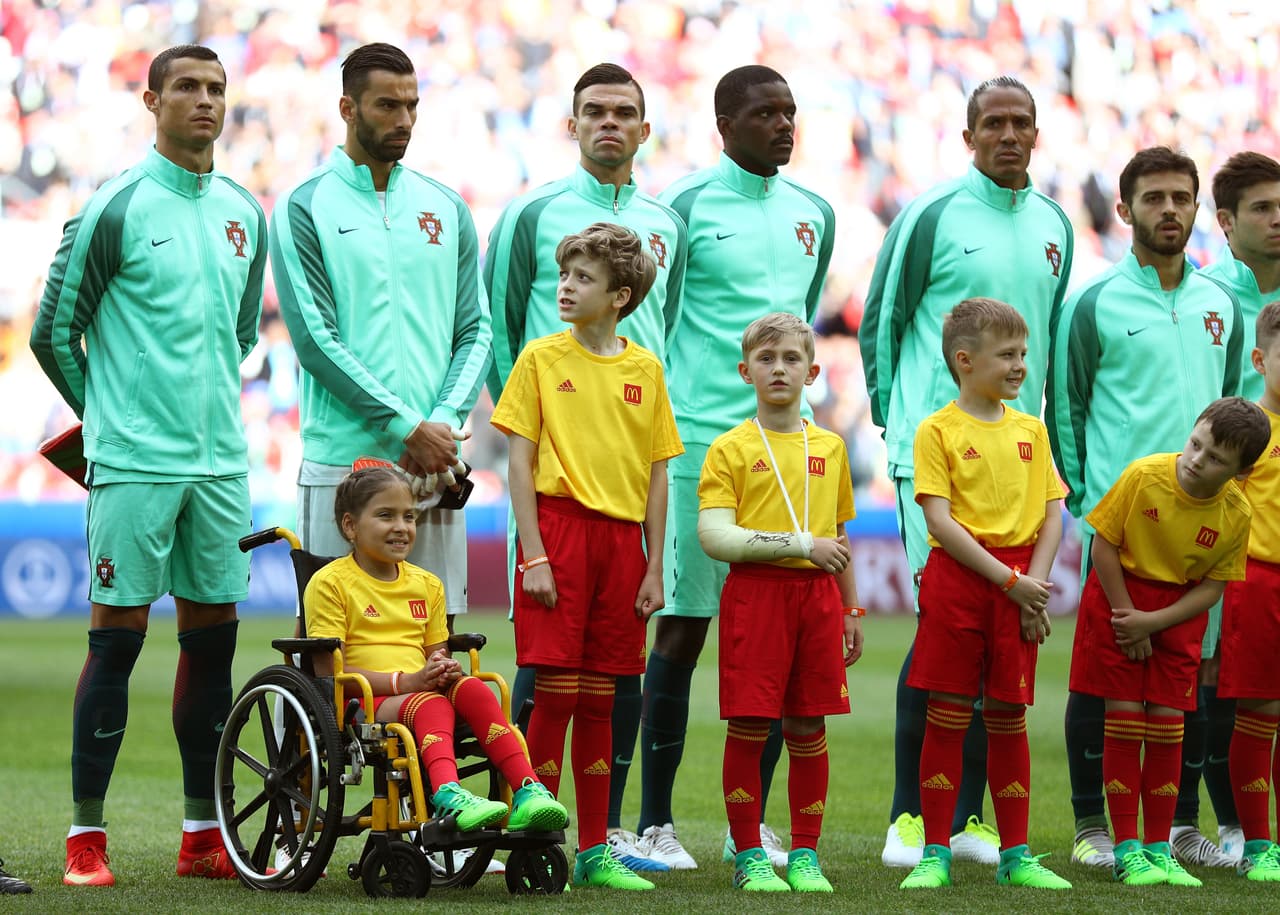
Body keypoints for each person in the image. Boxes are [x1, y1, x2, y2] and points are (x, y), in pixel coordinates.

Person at [29, 44, 265, 888]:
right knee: (116, 643)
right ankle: (84, 838)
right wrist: (108, 421)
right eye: (189, 89)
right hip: (132, 461)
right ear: (152, 99)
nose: (205, 102)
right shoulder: (115, 206)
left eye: (216, 89)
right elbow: (51, 331)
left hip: (218, 466)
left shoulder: (245, 211)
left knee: (213, 647)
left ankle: (202, 834)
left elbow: (240, 335)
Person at [858, 75, 1073, 869]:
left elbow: (1041, 343)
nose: (1009, 135)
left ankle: (971, 817)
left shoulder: (1055, 224)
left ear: (1037, 133)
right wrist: (895, 425)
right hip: (936, 452)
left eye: (1022, 122)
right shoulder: (934, 211)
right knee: (943, 628)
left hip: (1017, 456)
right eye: (994, 124)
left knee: (996, 635)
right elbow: (883, 314)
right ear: (969, 135)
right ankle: (910, 815)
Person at [483, 62, 687, 870]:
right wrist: (531, 548)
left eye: (624, 111)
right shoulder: (534, 226)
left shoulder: (647, 360)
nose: (566, 287)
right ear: (572, 124)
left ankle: (600, 845)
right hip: (558, 526)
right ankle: (524, 834)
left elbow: (659, 467)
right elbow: (500, 326)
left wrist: (654, 559)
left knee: (605, 692)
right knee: (550, 684)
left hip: (623, 537)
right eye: (593, 111)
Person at [638, 63, 836, 872]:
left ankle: (747, 830)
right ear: (724, 122)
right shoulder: (683, 206)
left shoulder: (815, 213)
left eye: (790, 112)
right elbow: (667, 315)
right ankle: (654, 823)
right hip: (698, 444)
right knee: (684, 629)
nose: (783, 125)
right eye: (765, 113)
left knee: (786, 644)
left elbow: (802, 316)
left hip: (790, 452)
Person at [1047, 146, 1245, 869]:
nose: (1169, 209)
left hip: (1196, 527)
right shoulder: (1093, 302)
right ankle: (1091, 824)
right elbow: (1064, 410)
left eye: (1181, 197)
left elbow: (1230, 410)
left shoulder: (1220, 304)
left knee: (1185, 673)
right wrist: (1089, 509)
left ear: (1197, 209)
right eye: (1154, 197)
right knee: (1100, 676)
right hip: (1119, 526)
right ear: (1126, 209)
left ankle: (1177, 823)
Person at [271, 42, 491, 624]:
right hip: (346, 464)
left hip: (432, 467)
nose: (404, 121)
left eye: (412, 106)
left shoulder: (446, 206)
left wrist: (439, 425)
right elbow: (315, 340)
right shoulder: (303, 204)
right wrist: (407, 427)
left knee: (436, 643)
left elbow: (476, 329)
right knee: (334, 655)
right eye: (387, 106)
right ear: (347, 108)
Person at [896, 298, 1069, 891]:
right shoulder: (937, 430)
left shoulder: (1031, 429)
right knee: (945, 716)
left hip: (1019, 586)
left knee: (1007, 716)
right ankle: (935, 853)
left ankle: (1016, 855)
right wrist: (1012, 582)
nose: (1020, 365)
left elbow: (1053, 513)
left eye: (1023, 353)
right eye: (1007, 355)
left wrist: (1033, 591)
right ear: (965, 361)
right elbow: (940, 523)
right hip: (962, 582)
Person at [303, 463, 569, 835]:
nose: (401, 527)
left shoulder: (427, 584)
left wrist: (443, 670)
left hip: (420, 690)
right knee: (432, 703)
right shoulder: (329, 584)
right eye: (385, 516)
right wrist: (410, 681)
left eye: (409, 516)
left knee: (476, 688)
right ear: (350, 526)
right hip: (363, 700)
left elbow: (436, 655)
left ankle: (529, 792)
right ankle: (448, 794)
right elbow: (331, 676)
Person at [1067, 397, 1268, 887]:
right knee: (1125, 719)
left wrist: (1153, 623)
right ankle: (1128, 848)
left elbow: (1213, 588)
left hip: (1174, 614)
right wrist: (1126, 617)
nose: (1197, 459)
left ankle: (1159, 848)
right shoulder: (1143, 476)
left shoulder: (1237, 512)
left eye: (1216, 458)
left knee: (1167, 724)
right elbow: (1104, 544)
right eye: (1195, 444)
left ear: (1241, 472)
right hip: (1118, 599)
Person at [697, 313, 863, 893]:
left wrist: (851, 609)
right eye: (766, 359)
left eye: (791, 359)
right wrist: (798, 545)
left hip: (817, 599)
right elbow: (715, 537)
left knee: (808, 723)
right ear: (745, 371)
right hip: (757, 596)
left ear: (813, 371)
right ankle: (748, 853)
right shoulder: (730, 448)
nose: (778, 369)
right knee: (749, 725)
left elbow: (840, 537)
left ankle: (806, 855)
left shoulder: (832, 446)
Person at [1157, 152, 1280, 867]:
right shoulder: (1204, 298)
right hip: (1225, 536)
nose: (1278, 219)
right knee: (1205, 678)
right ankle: (1208, 825)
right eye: (1263, 207)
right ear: (1227, 223)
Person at [1221, 302, 1280, 881]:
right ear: (1261, 360)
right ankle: (1259, 846)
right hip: (1259, 583)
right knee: (1261, 712)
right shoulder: (1251, 432)